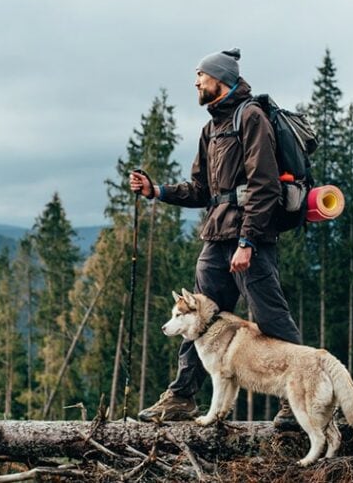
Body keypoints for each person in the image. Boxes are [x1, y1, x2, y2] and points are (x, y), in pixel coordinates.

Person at [129, 48, 302, 428]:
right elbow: (200, 190)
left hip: (249, 239)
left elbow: (264, 186)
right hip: (216, 237)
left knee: (271, 317)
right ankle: (181, 398)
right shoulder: (211, 129)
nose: (196, 82)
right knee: (197, 321)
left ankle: (296, 396)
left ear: (220, 79)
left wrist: (248, 242)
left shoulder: (251, 117)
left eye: (201, 76)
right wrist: (155, 190)